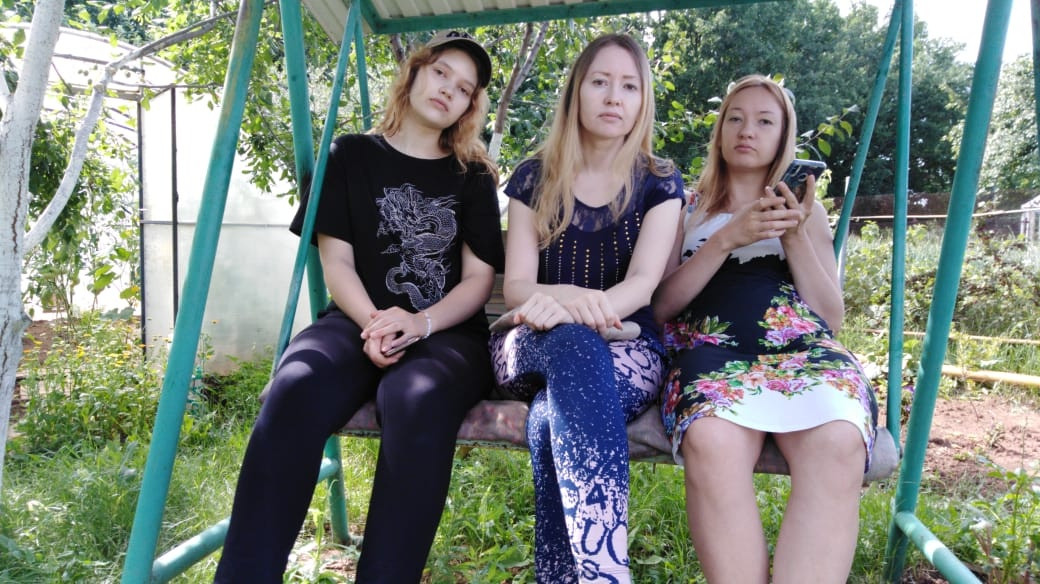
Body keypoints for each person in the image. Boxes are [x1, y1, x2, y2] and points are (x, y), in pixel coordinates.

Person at [213, 30, 504, 583]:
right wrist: (374, 323)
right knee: (296, 384)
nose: (449, 90)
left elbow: (478, 281)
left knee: (413, 396)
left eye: (465, 88)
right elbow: (338, 264)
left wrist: (417, 323)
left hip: (444, 332)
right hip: (355, 319)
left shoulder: (472, 176)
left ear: (470, 107)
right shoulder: (349, 156)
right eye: (441, 72)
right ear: (414, 72)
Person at [652, 74, 878, 584]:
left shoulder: (807, 212)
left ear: (783, 137)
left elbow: (830, 317)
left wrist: (794, 235)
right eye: (735, 118)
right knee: (711, 440)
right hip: (712, 354)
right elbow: (661, 306)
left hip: (803, 354)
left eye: (764, 121)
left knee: (839, 441)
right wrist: (725, 239)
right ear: (719, 132)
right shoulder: (686, 207)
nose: (747, 130)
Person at [490, 33, 684, 584]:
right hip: (529, 340)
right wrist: (573, 309)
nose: (614, 96)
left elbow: (643, 285)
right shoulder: (534, 177)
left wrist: (571, 308)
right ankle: (607, 574)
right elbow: (518, 287)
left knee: (549, 419)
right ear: (576, 91)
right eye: (600, 82)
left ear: (643, 100)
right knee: (572, 346)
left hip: (628, 348)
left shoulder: (659, 181)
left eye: (629, 86)